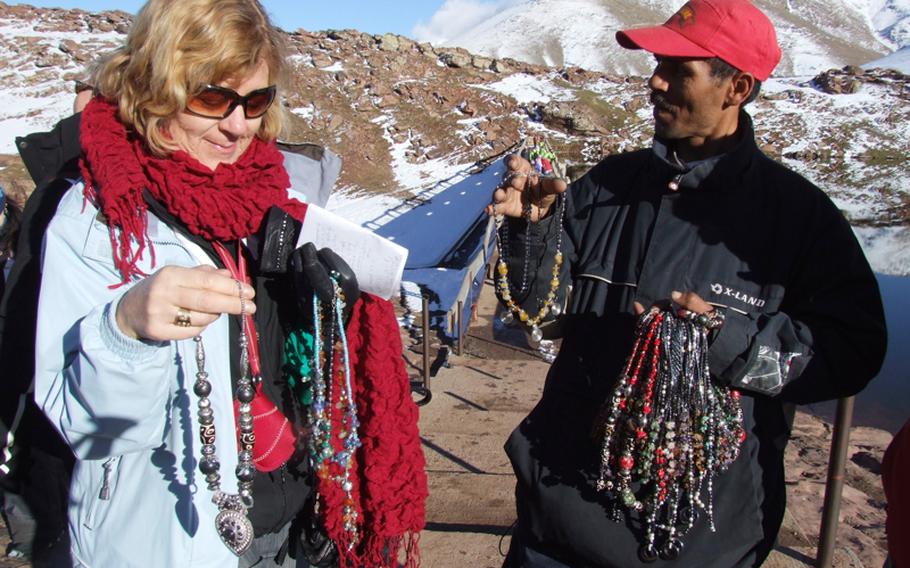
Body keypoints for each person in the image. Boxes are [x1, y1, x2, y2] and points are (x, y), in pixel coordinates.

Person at [490, 1, 888, 566]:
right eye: (658, 63)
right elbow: (542, 311)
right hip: (557, 520)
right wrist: (529, 232)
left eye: (680, 70)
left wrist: (724, 339)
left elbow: (853, 354)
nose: (655, 81)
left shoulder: (799, 218)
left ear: (737, 88)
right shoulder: (607, 187)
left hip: (703, 542)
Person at [31, 1, 425, 566]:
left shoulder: (272, 197)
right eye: (213, 97)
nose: (239, 124)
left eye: (256, 101)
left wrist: (326, 312)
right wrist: (125, 330)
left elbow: (286, 366)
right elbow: (86, 429)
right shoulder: (97, 217)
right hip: (175, 535)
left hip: (294, 525)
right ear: (158, 86)